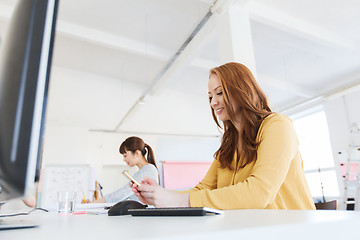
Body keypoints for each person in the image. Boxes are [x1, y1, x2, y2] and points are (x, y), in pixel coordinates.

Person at [132, 62, 316, 210]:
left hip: (291, 231)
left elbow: (259, 193)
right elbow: (204, 189)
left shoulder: (277, 126)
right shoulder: (229, 145)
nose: (213, 102)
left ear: (242, 90)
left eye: (219, 93)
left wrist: (178, 201)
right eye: (210, 96)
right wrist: (158, 196)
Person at [83, 136, 159, 203]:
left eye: (125, 156)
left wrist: (93, 203)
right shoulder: (141, 172)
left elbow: (122, 193)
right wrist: (93, 203)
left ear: (137, 153)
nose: (124, 159)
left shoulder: (149, 169)